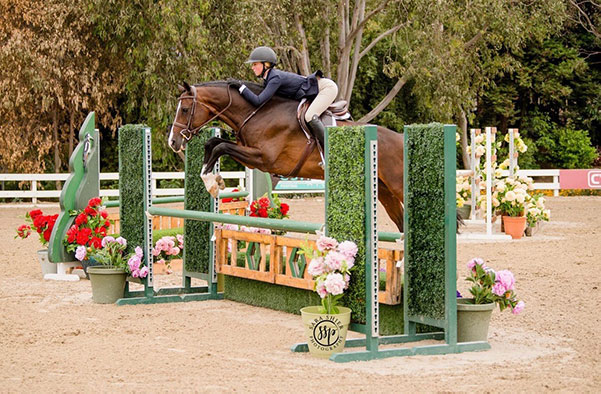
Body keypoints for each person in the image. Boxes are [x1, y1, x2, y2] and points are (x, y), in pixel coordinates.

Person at [229, 46, 338, 151]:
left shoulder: (275, 78)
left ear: (266, 65)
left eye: (255, 64)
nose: (252, 67)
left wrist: (241, 87)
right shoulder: (269, 78)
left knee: (309, 116)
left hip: (326, 88)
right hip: (314, 90)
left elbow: (258, 101)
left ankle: (331, 149)